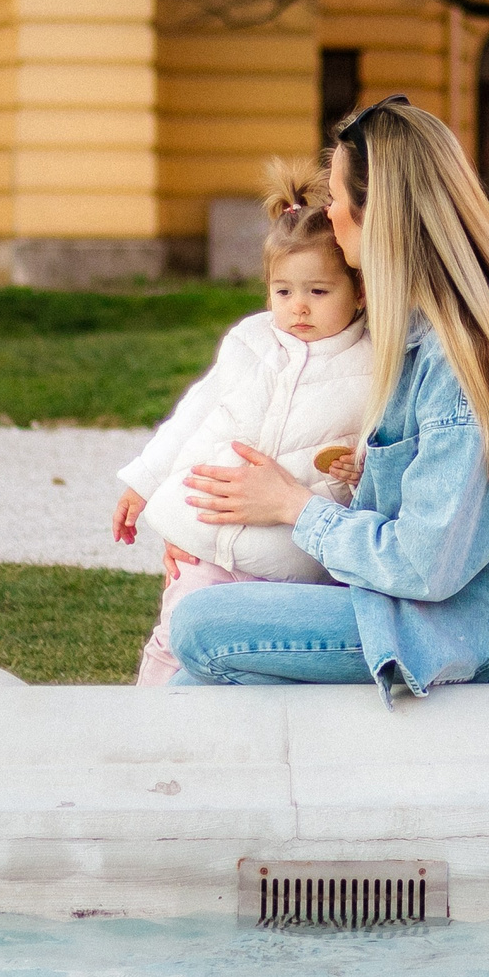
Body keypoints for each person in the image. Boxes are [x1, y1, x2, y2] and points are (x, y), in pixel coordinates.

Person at [167, 94, 489, 695]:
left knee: (200, 626)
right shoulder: (405, 339)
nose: (330, 217)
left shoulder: (465, 361)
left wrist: (292, 506)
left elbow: (426, 564)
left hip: (482, 636)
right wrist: (207, 540)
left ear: (382, 216)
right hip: (416, 612)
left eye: (339, 203)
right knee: (191, 684)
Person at [112, 162, 375, 685]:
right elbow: (194, 414)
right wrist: (140, 483)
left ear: (360, 293)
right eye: (283, 292)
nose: (298, 307)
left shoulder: (372, 365)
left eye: (318, 293)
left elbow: (379, 450)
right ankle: (146, 735)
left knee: (252, 664)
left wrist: (358, 466)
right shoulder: (250, 343)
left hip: (288, 563)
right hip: (206, 539)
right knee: (173, 640)